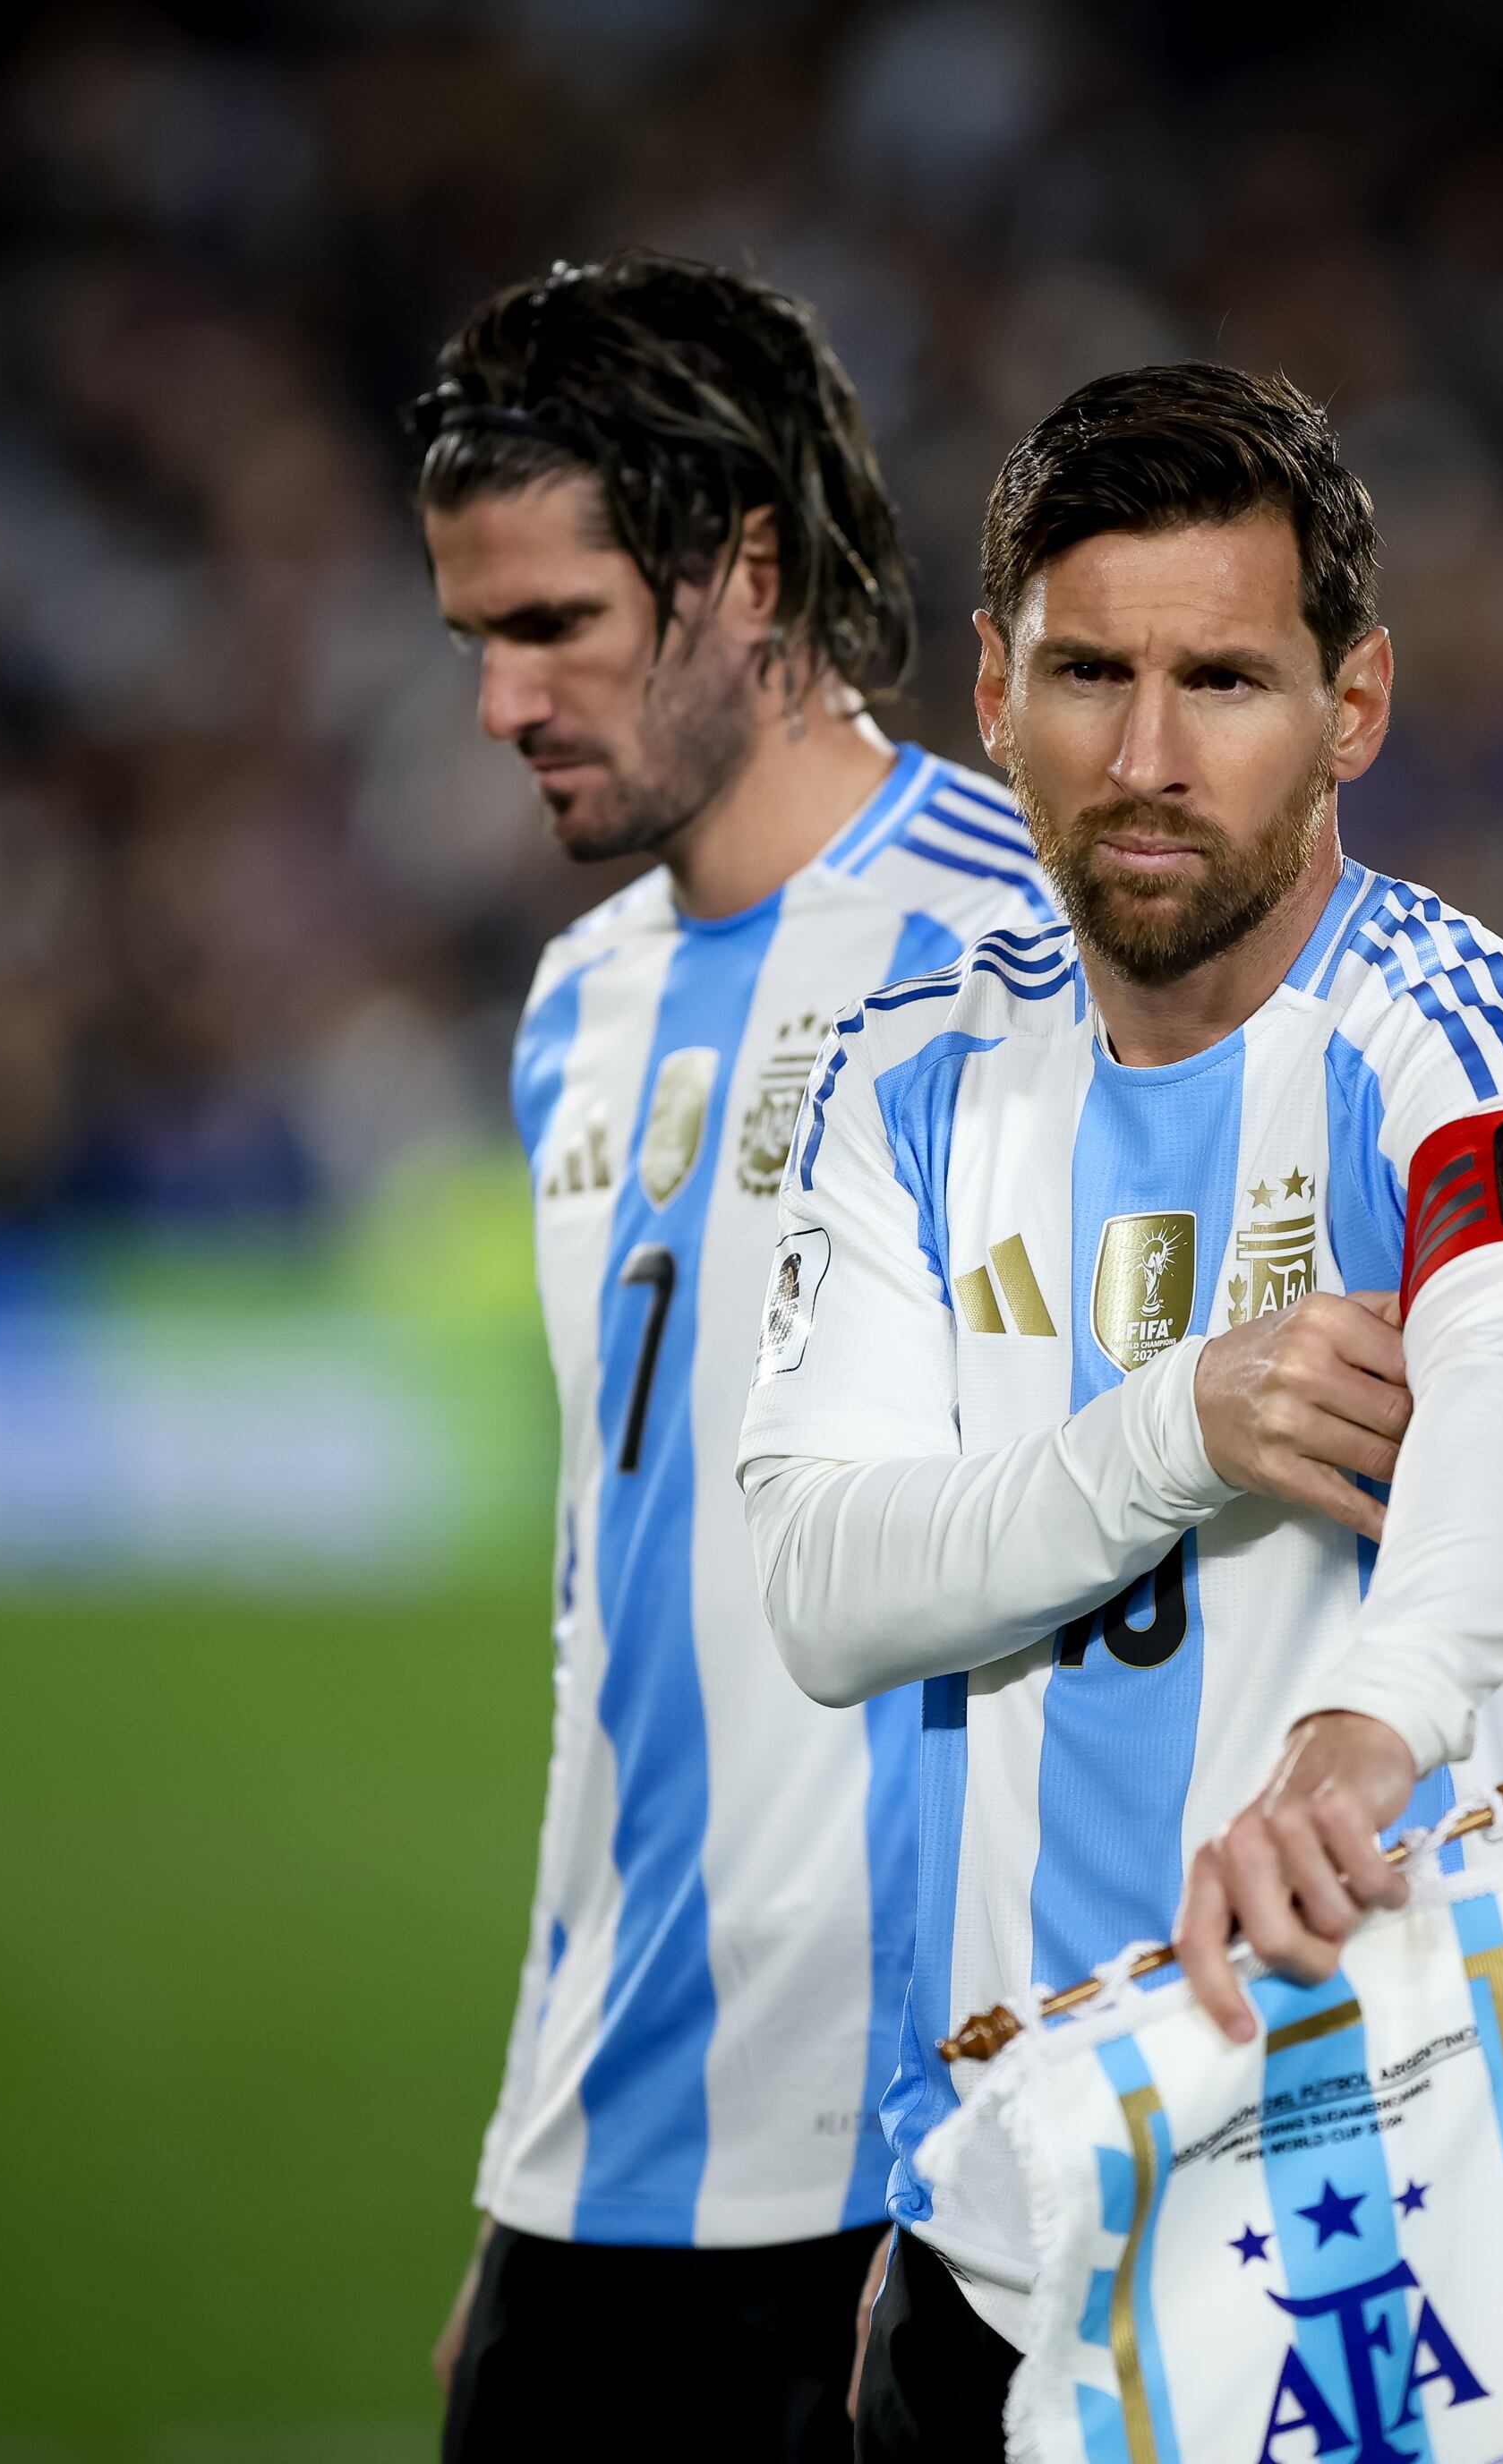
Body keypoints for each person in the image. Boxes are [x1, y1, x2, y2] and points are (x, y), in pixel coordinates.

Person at [736, 364, 1503, 2456]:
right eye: (1088, 673)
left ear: (1357, 706)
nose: (1145, 758)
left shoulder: (1467, 1036)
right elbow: (818, 1582)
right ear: (990, 682)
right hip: (1000, 2226)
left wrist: (1371, 1719)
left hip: (1377, 2240)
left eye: (1225, 679)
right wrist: (1175, 1425)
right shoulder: (910, 1074)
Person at [408, 254, 1055, 2464]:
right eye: (473, 638)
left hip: (907, 2199)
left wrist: (1005, 2165)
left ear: (745, 575)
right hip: (598, 2174)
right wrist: (536, 2166)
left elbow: (1120, 1621)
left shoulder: (1025, 956)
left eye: (553, 625)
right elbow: (622, 1630)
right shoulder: (575, 1005)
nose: (499, 702)